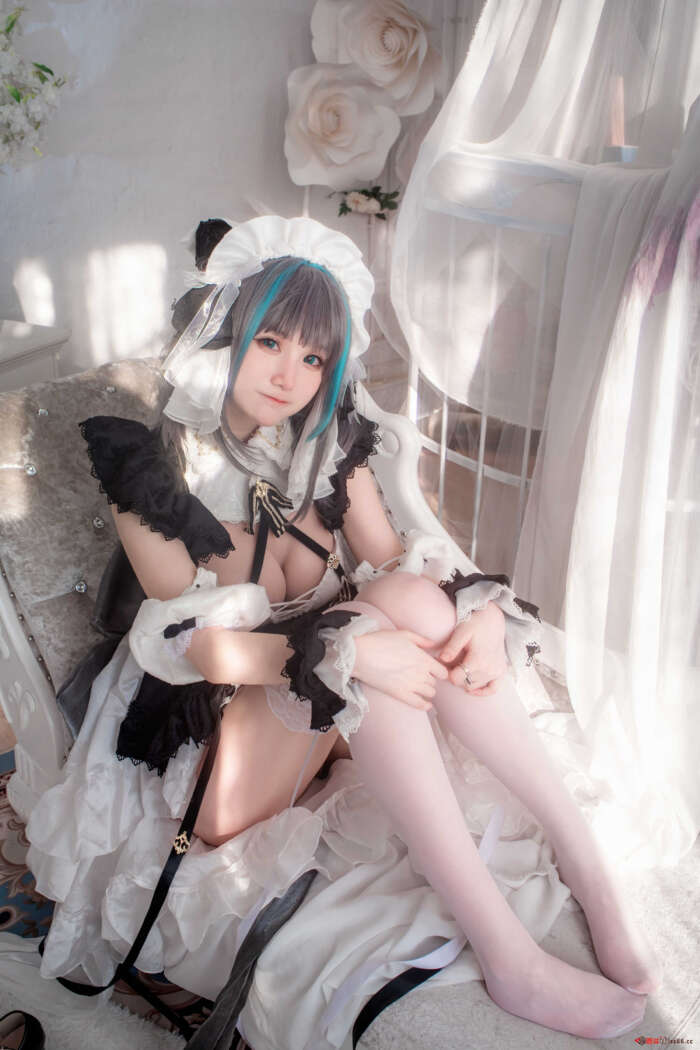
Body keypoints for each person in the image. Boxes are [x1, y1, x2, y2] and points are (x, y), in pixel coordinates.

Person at [25, 215, 656, 1045]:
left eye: (314, 358)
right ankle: (511, 957)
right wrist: (352, 650)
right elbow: (192, 648)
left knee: (412, 603)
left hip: (316, 726)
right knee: (357, 639)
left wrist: (479, 617)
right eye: (270, 343)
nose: (289, 375)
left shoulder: (324, 447)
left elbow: (396, 566)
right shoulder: (150, 469)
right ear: (226, 332)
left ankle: (581, 858)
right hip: (212, 758)